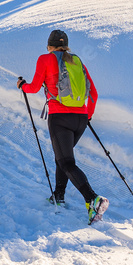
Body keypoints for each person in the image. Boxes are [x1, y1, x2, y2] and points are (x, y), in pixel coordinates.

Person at [17, 29, 109, 224]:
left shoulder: (45, 59)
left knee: (66, 162)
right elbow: (94, 94)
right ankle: (58, 195)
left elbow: (33, 87)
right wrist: (87, 115)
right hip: (80, 119)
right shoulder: (77, 61)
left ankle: (92, 199)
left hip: (59, 118)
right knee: (63, 158)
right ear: (66, 45)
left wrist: (22, 85)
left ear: (50, 46)